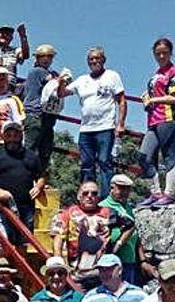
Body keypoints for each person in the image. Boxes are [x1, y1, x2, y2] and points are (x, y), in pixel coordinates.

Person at [58, 47, 126, 198]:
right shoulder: (82, 80)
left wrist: (120, 124)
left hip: (106, 127)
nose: (94, 61)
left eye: (97, 58)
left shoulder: (112, 76)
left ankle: (107, 198)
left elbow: (121, 100)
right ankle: (88, 197)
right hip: (86, 129)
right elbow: (62, 93)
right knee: (86, 164)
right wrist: (61, 81)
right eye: (91, 59)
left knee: (104, 162)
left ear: (103, 60)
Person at [0, 121, 45, 251]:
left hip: (26, 207)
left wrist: (39, 186)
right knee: (3, 242)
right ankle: (2, 269)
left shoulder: (32, 156)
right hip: (2, 207)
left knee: (23, 244)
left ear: (21, 136)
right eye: (9, 135)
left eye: (16, 135)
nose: (12, 138)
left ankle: (21, 270)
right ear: (3, 137)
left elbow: (42, 175)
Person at [137, 38, 175, 206]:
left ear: (171, 53)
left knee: (169, 155)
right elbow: (155, 93)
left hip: (169, 118)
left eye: (165, 52)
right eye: (158, 53)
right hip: (153, 120)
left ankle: (169, 193)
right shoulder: (156, 73)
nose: (161, 56)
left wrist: (153, 100)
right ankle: (155, 193)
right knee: (144, 156)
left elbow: (174, 97)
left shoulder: (174, 71)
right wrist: (147, 97)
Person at [50, 180, 112, 283]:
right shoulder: (67, 214)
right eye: (85, 193)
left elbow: (129, 225)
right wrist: (59, 264)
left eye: (94, 193)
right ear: (79, 196)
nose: (89, 196)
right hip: (76, 274)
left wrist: (118, 244)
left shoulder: (109, 213)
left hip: (103, 274)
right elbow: (58, 239)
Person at [99, 174, 155, 284]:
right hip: (111, 262)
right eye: (121, 188)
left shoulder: (128, 208)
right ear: (112, 188)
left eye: (127, 189)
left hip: (130, 261)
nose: (124, 192)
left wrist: (143, 260)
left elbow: (136, 236)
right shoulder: (102, 206)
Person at [22, 44, 59, 172]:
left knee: (44, 150)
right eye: (43, 56)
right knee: (32, 148)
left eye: (49, 56)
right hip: (35, 113)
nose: (47, 59)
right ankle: (27, 174)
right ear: (37, 58)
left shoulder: (48, 73)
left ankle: (38, 176)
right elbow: (55, 82)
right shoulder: (38, 71)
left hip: (46, 115)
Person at [0, 24, 29, 90]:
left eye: (8, 34)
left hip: (9, 86)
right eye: (2, 33)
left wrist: (23, 36)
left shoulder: (15, 50)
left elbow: (25, 55)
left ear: (11, 38)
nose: (4, 35)